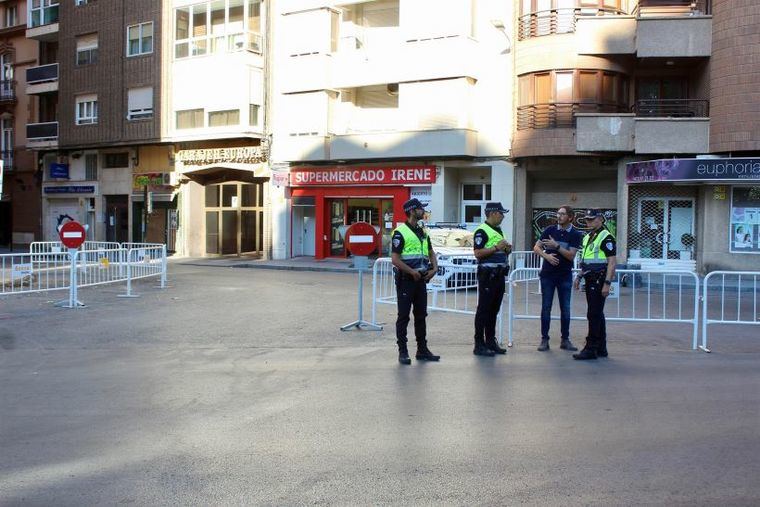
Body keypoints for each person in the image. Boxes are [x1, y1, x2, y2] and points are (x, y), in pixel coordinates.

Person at [390, 198, 440, 365]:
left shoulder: (422, 231)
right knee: (403, 316)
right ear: (412, 211)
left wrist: (435, 268)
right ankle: (403, 351)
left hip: (421, 280)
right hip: (406, 280)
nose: (423, 211)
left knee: (421, 315)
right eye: (420, 209)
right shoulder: (400, 232)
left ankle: (422, 349)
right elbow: (395, 259)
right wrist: (411, 272)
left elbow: (431, 252)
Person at [533, 205, 582, 352]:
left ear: (570, 217)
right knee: (546, 307)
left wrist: (556, 246)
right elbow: (536, 247)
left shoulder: (575, 234)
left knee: (565, 308)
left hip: (564, 276)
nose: (559, 216)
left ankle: (565, 340)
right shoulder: (550, 230)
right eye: (558, 213)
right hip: (548, 275)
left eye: (562, 214)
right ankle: (544, 340)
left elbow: (571, 255)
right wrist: (546, 255)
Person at [573, 209, 616, 360]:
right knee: (598, 313)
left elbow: (611, 262)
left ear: (600, 219)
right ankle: (601, 348)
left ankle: (591, 348)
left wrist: (607, 283)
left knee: (593, 313)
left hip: (599, 279)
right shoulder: (589, 236)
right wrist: (579, 276)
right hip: (590, 278)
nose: (588, 222)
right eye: (586, 220)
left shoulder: (606, 237)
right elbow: (586, 260)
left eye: (591, 219)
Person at [472, 202, 512, 356]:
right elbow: (478, 253)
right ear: (493, 213)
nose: (503, 216)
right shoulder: (482, 231)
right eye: (501, 213)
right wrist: (497, 247)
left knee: (494, 310)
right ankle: (479, 344)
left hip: (499, 275)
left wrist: (507, 249)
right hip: (488, 276)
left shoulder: (499, 230)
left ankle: (490, 341)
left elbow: (502, 250)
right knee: (484, 309)